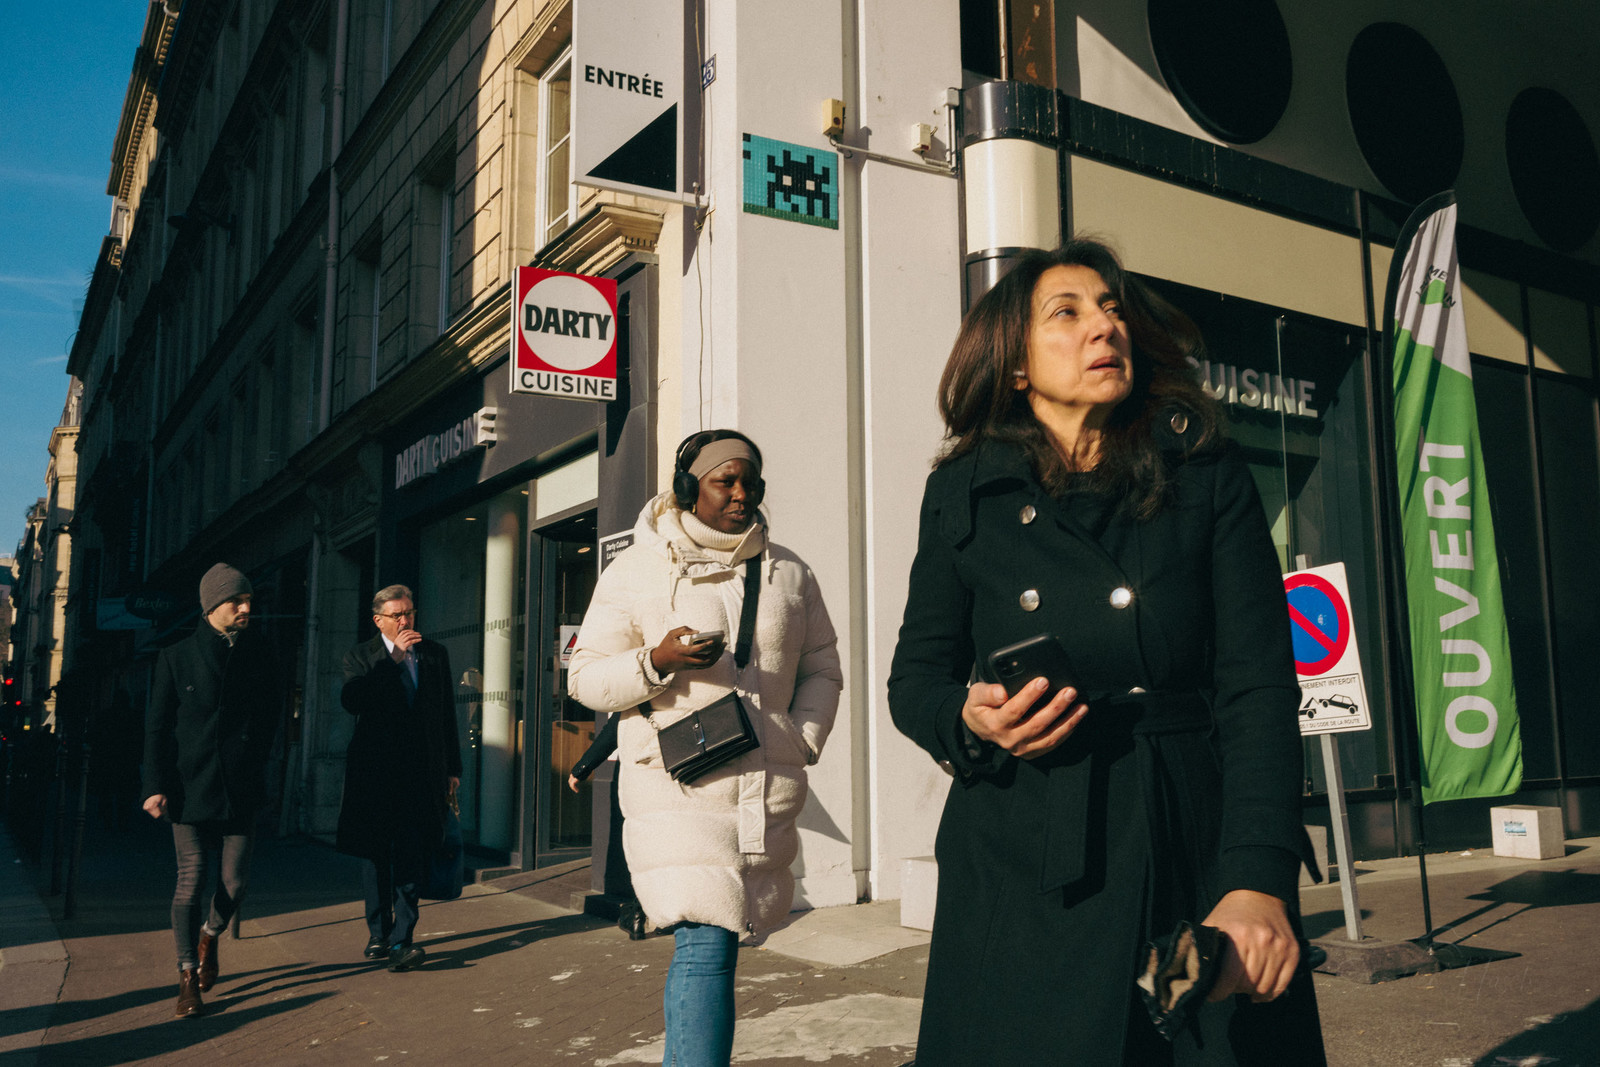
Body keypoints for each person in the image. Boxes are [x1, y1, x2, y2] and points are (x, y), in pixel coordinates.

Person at [887, 239, 1327, 1065]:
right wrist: (969, 717)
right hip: (1019, 859)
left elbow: (1258, 688)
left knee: (1194, 1037)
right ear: (1015, 364)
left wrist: (1258, 876)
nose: (1106, 326)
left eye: (1114, 308)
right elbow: (916, 678)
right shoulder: (965, 490)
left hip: (1184, 844)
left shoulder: (1202, 467)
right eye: (1070, 311)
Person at [568, 429, 842, 1067]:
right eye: (727, 481)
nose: (742, 494)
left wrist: (802, 737)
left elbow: (822, 667)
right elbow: (584, 678)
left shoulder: (790, 573)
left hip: (763, 786)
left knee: (722, 940)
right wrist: (657, 660)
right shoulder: (635, 570)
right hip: (677, 787)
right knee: (706, 940)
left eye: (752, 482)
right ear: (688, 488)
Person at [142, 563, 280, 1017]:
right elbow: (156, 729)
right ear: (211, 606)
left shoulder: (260, 654)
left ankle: (210, 936)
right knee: (191, 878)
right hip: (188, 786)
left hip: (240, 784)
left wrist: (259, 765)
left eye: (248, 601)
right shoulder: (176, 656)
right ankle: (186, 976)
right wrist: (154, 786)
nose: (246, 608)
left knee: (235, 883)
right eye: (236, 601)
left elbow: (269, 720)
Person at [336, 584, 462, 973]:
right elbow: (353, 701)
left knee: (411, 852)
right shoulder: (361, 656)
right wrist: (393, 659)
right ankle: (379, 930)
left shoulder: (435, 654)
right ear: (379, 621)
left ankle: (402, 939)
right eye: (397, 615)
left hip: (420, 773)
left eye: (409, 612)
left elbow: (445, 716)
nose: (406, 620)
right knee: (376, 854)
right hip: (375, 774)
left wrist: (452, 768)